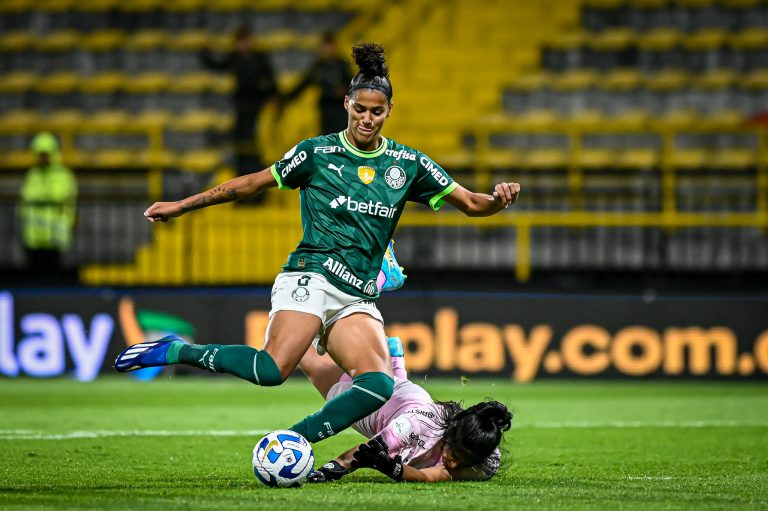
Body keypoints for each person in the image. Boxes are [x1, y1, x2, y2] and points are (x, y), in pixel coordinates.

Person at [115, 42, 521, 445]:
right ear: (346, 103)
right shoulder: (316, 153)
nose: (367, 119)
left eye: (376, 112)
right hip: (312, 276)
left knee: (378, 384)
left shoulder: (408, 164)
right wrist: (183, 205)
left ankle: (292, 441)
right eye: (359, 109)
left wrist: (497, 201)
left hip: (355, 294)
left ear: (389, 111)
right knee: (271, 370)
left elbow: (471, 203)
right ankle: (177, 351)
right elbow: (250, 184)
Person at [301, 337, 511, 483]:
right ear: (449, 434)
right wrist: (330, 470)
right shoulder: (418, 425)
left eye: (463, 460)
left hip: (407, 400)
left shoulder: (484, 461)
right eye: (454, 453)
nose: (454, 463)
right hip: (370, 404)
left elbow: (433, 476)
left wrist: (393, 469)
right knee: (304, 354)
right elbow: (364, 452)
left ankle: (393, 361)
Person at [199, 24, 278, 177]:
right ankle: (243, 172)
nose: (243, 45)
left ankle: (258, 174)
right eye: (240, 41)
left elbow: (271, 79)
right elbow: (217, 65)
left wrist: (273, 97)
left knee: (256, 139)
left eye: (245, 40)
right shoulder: (235, 57)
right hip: (241, 104)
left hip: (258, 105)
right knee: (241, 139)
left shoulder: (259, 58)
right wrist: (204, 53)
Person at [18, 131, 78, 285]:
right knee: (34, 279)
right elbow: (26, 195)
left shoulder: (62, 174)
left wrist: (38, 197)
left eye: (45, 154)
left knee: (53, 278)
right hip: (33, 237)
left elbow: (58, 195)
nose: (42, 158)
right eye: (40, 154)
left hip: (55, 236)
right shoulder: (32, 174)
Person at [276, 32, 353, 135]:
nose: (327, 50)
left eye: (329, 46)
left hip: (341, 111)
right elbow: (303, 84)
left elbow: (353, 86)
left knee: (342, 140)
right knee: (327, 140)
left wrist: (343, 92)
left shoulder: (342, 65)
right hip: (325, 110)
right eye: (325, 46)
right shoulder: (318, 67)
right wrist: (285, 98)